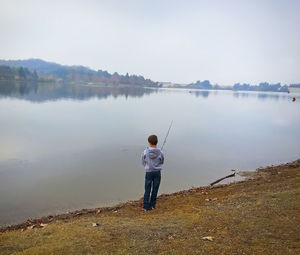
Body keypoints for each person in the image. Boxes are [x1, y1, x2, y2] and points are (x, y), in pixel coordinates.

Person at [141, 134, 164, 211]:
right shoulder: (160, 152)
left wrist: (147, 166)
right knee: (155, 189)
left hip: (149, 172)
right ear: (156, 142)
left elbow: (143, 162)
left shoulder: (145, 152)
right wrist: (157, 166)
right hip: (157, 172)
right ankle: (152, 205)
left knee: (147, 189)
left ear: (149, 142)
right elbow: (162, 161)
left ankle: (145, 206)